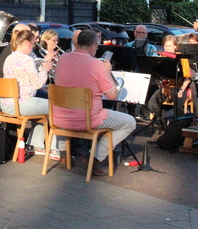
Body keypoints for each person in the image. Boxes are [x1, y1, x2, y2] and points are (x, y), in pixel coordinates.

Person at [54, 29, 137, 176]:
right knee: (130, 122)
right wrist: (107, 72)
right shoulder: (96, 64)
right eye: (97, 46)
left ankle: (68, 154)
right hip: (86, 120)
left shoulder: (62, 58)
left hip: (60, 118)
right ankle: (93, 157)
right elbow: (112, 96)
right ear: (93, 46)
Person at [2, 30, 60, 159]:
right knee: (57, 107)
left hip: (6, 104)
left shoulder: (9, 58)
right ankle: (55, 149)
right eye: (33, 44)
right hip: (21, 103)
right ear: (26, 43)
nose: (33, 47)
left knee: (44, 109)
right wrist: (45, 70)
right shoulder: (26, 60)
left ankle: (34, 145)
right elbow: (38, 84)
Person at [146, 35, 193, 120]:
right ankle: (164, 119)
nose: (167, 48)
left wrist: (182, 90)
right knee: (151, 104)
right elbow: (155, 77)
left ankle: (168, 121)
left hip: (179, 88)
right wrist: (161, 86)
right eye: (165, 46)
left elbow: (187, 78)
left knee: (177, 108)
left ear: (175, 46)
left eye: (169, 46)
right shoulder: (161, 57)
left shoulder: (181, 58)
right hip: (165, 87)